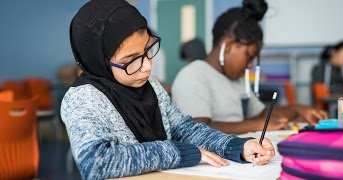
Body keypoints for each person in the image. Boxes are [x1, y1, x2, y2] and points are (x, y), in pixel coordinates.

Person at [62, 0, 275, 179]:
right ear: (98, 60)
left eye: (148, 50)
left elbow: (185, 129)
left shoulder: (151, 87)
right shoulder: (84, 98)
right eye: (131, 60)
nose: (147, 66)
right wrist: (180, 152)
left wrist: (237, 146)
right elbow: (97, 163)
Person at [171, 0, 328, 135]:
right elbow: (196, 129)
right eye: (249, 56)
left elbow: (261, 113)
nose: (251, 65)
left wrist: (298, 110)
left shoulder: (236, 80)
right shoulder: (193, 75)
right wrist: (256, 125)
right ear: (229, 47)